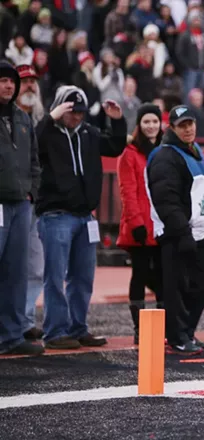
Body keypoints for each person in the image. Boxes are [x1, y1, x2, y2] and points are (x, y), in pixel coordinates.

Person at [37, 86, 126, 349]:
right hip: (56, 215)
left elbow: (115, 146)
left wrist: (117, 121)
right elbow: (31, 143)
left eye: (80, 112)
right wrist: (50, 118)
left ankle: (77, 327)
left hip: (85, 216)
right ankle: (54, 332)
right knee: (55, 276)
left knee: (83, 276)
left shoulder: (88, 133)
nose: (76, 117)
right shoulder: (47, 133)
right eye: (70, 111)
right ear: (59, 108)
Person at [146, 105, 204, 355]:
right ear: (172, 128)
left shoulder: (195, 151)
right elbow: (167, 200)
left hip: (198, 233)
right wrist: (182, 232)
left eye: (191, 123)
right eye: (182, 125)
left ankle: (186, 331)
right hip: (178, 235)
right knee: (176, 287)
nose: (188, 129)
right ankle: (176, 336)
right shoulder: (165, 156)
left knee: (203, 281)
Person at [0, 61, 43, 356]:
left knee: (17, 271)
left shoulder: (24, 119)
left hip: (20, 204)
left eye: (11, 82)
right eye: (3, 81)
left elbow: (35, 163)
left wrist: (31, 193)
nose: (8, 86)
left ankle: (12, 334)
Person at [117, 103, 164, 344]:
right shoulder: (130, 154)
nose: (151, 126)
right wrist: (136, 223)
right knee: (140, 274)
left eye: (155, 121)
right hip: (141, 227)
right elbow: (128, 191)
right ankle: (139, 329)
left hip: (161, 227)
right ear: (139, 124)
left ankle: (162, 328)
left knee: (163, 277)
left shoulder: (166, 151)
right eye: (146, 121)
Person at [15, 64, 45, 341]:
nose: (30, 86)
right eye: (25, 81)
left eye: (33, 81)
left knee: (35, 266)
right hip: (7, 202)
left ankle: (23, 322)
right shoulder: (8, 119)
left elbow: (37, 164)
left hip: (32, 202)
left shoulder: (38, 120)